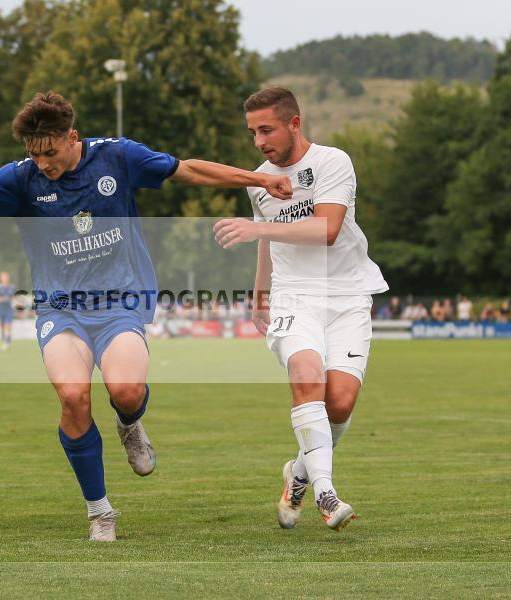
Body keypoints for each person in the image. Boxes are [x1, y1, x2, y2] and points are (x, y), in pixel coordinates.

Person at [0, 91, 292, 542]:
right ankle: (100, 511)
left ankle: (129, 423)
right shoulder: (21, 179)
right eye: (33, 154)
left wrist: (255, 181)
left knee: (125, 390)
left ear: (72, 138)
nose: (43, 163)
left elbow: (188, 169)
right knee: (73, 397)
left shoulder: (118, 157)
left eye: (50, 152)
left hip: (121, 301)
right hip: (60, 308)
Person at [212, 86, 388, 532]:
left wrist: (256, 228)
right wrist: (260, 295)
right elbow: (268, 241)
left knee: (341, 404)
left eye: (266, 129)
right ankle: (326, 494)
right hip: (294, 295)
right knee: (306, 374)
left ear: (294, 123)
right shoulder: (260, 180)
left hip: (347, 295)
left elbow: (327, 228)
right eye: (252, 132)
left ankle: (299, 474)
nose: (259, 141)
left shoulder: (333, 162)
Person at [0, 271, 16, 351]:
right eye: (3, 277)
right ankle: (4, 341)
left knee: (8, 325)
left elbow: (13, 298)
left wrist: (12, 301)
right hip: (0, 309)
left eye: (6, 277)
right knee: (2, 327)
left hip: (9, 309)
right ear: (1, 278)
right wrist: (3, 299)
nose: (5, 278)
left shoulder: (12, 287)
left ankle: (7, 341)